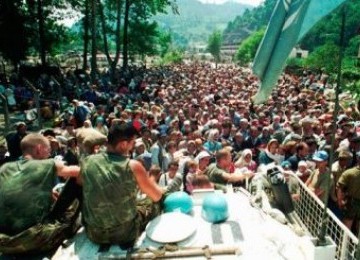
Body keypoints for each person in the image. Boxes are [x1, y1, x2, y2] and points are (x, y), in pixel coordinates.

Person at [81, 123, 164, 247]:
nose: (133, 147)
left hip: (95, 233)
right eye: (132, 143)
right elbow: (156, 196)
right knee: (153, 201)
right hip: (124, 234)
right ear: (123, 144)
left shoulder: (87, 161)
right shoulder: (133, 166)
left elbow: (80, 183)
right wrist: (152, 178)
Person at [0, 133, 81, 254]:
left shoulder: (5, 168)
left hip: (4, 243)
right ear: (39, 148)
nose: (50, 153)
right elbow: (81, 172)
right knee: (76, 182)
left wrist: (48, 193)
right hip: (34, 241)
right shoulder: (48, 164)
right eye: (48, 149)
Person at [337, 151, 360, 232]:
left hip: (351, 202)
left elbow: (340, 187)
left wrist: (340, 201)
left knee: (347, 225)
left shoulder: (349, 173)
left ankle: (344, 243)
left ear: (357, 159)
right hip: (352, 201)